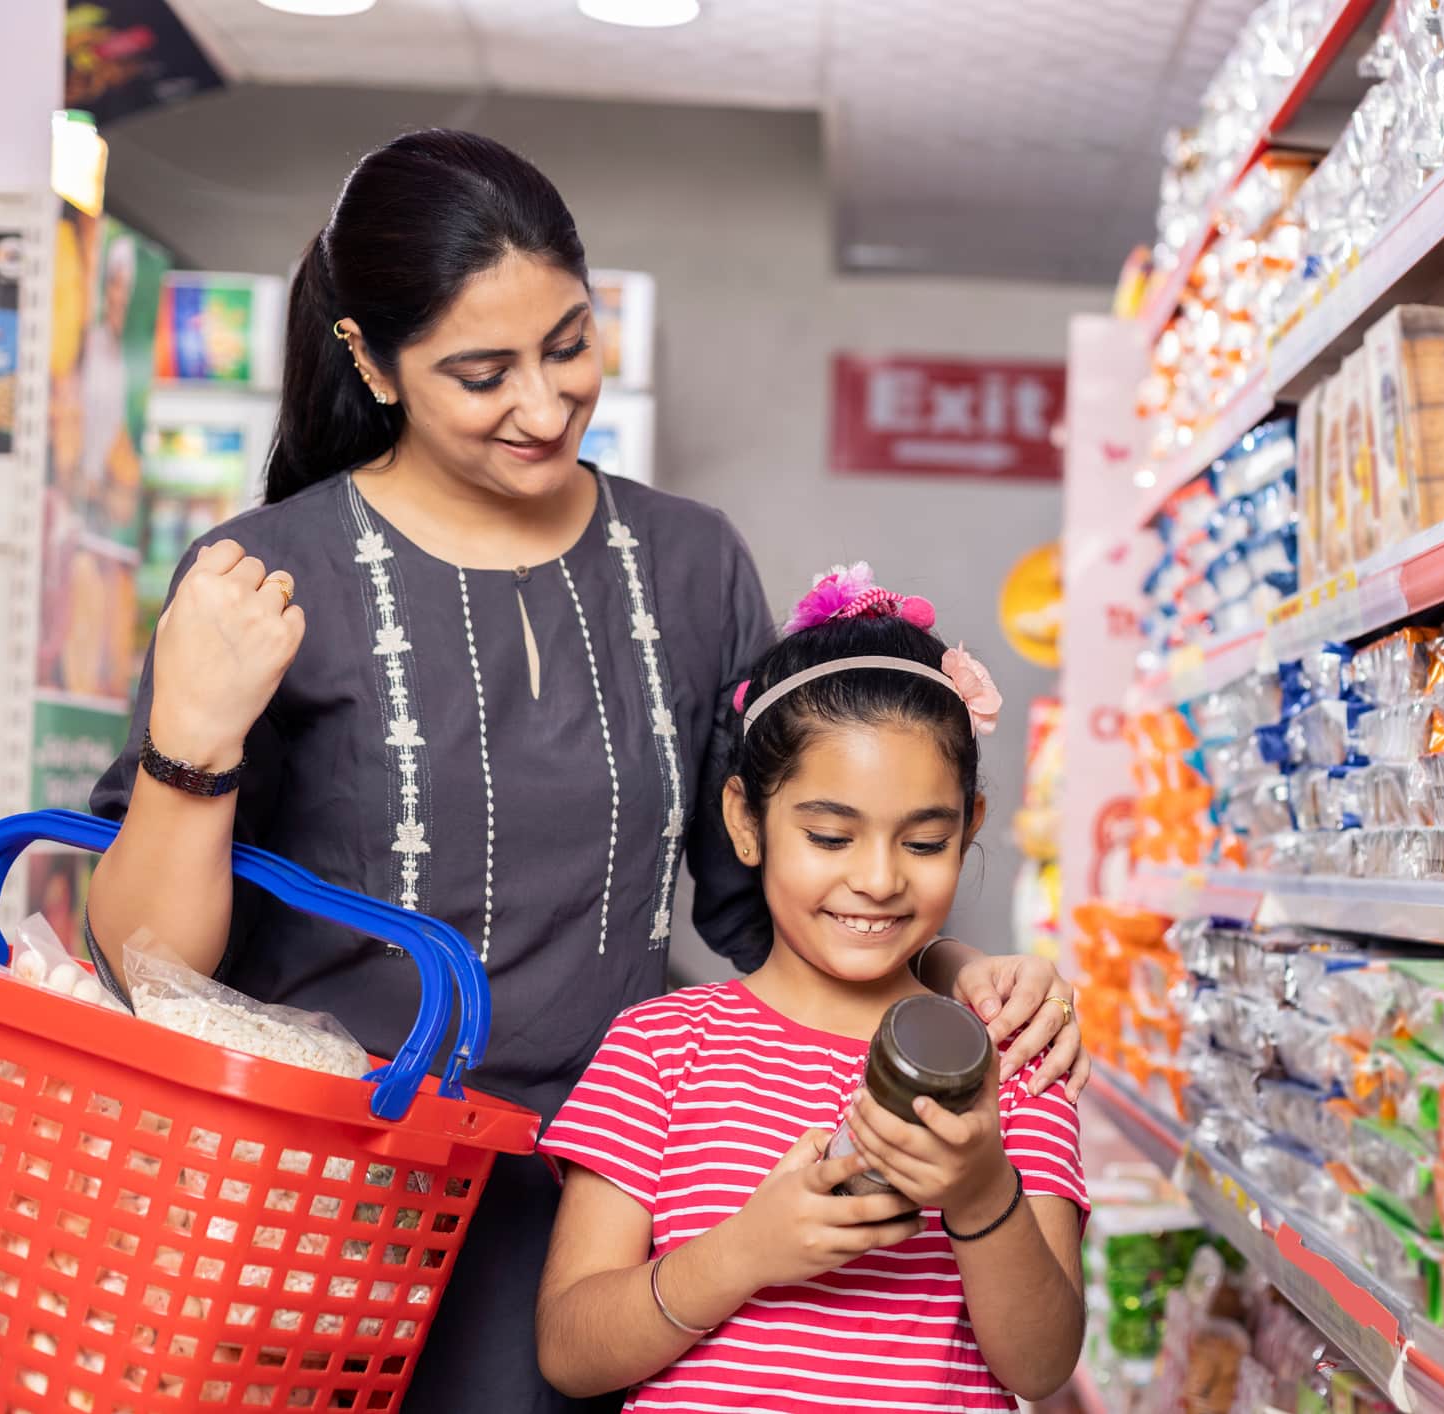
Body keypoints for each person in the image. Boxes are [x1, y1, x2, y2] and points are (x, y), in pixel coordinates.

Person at [81, 129, 1088, 1413]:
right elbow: (146, 968)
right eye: (481, 372)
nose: (546, 404)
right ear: (369, 361)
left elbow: (767, 885)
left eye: (569, 344)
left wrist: (967, 980)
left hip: (582, 1206)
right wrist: (194, 741)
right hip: (299, 1210)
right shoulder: (266, 576)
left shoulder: (689, 564)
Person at [536, 571, 1085, 1410]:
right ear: (747, 822)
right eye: (830, 835)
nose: (876, 878)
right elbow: (570, 1350)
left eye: (926, 842)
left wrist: (980, 1191)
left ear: (969, 827)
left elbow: (1041, 1366)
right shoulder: (660, 1047)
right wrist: (745, 1253)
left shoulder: (1008, 1056)